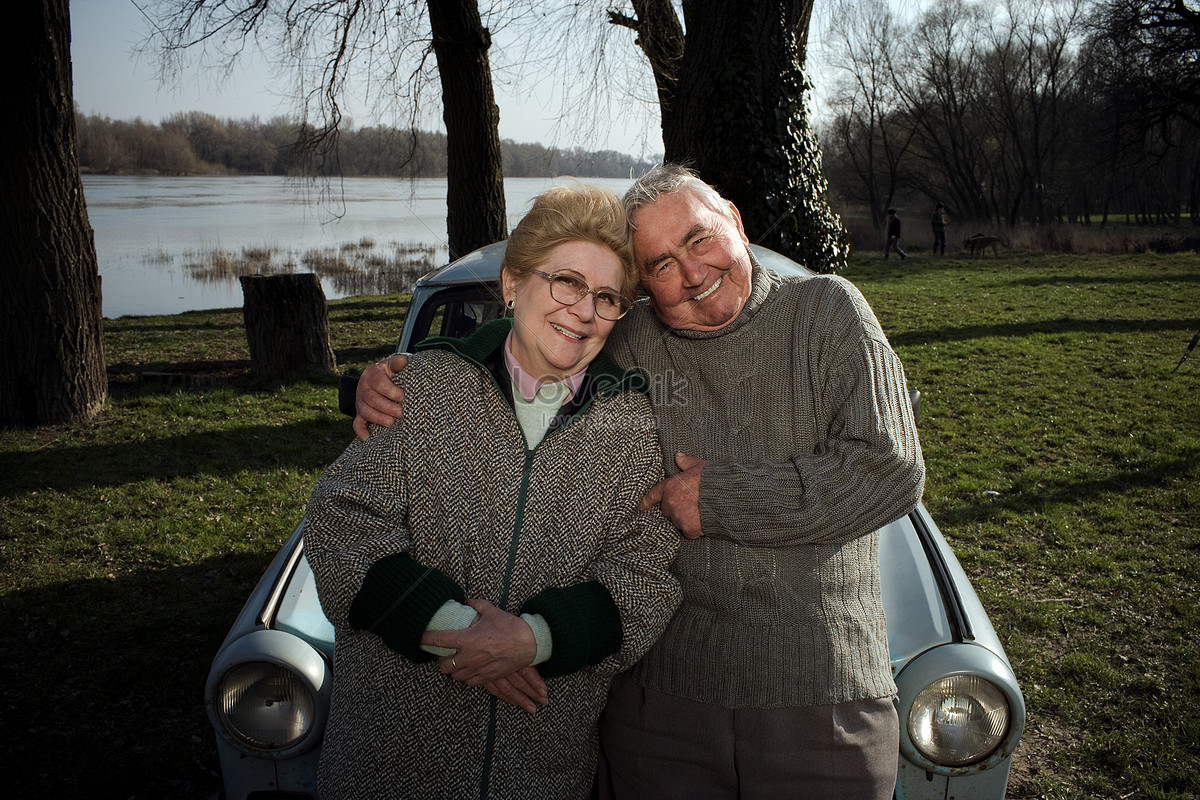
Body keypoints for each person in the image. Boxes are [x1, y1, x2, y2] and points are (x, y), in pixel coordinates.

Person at [354, 164, 926, 799]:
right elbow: (543, 331)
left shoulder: (827, 309)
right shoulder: (630, 337)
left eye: (699, 239)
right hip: (661, 713)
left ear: (733, 220)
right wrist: (407, 375)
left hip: (823, 701)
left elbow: (891, 470)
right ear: (645, 285)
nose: (689, 274)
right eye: (659, 264)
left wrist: (718, 498)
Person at [305, 183, 681, 800]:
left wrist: (534, 639)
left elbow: (645, 582)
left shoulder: (633, 430)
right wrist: (465, 633)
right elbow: (341, 530)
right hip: (388, 765)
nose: (584, 311)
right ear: (512, 284)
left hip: (539, 771)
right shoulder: (420, 390)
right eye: (566, 281)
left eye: (607, 297)